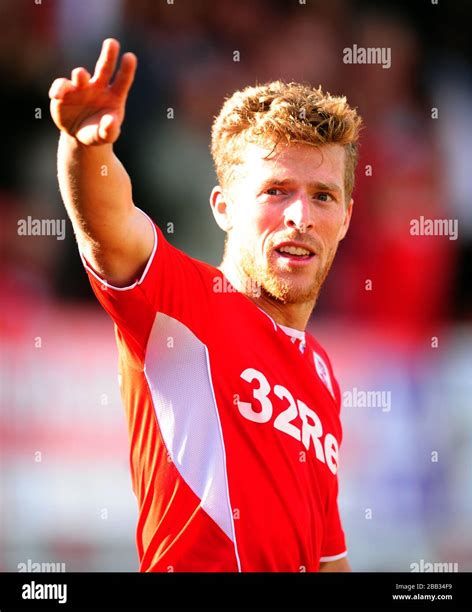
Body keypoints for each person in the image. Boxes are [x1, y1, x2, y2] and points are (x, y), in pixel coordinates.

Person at [49, 38, 362, 572]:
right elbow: (109, 228)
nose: (301, 217)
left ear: (347, 217)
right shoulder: (182, 302)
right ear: (223, 208)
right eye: (276, 190)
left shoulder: (323, 374)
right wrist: (86, 149)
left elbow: (329, 559)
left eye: (323, 196)